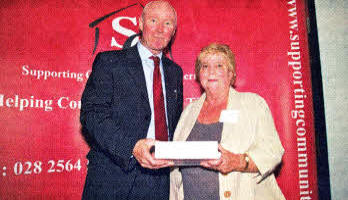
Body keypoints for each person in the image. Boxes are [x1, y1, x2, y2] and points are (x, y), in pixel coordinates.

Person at [80, 1, 183, 199]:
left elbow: (174, 125)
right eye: (154, 20)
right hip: (113, 180)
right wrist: (132, 147)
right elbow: (92, 115)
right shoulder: (109, 62)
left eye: (168, 23)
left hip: (160, 182)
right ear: (141, 24)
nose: (161, 29)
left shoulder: (175, 73)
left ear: (174, 30)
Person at [170, 43, 285, 200]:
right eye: (204, 66)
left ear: (231, 74)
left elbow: (272, 152)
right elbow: (176, 167)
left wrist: (237, 162)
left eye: (219, 65)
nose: (211, 71)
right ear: (198, 74)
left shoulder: (253, 104)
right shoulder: (188, 112)